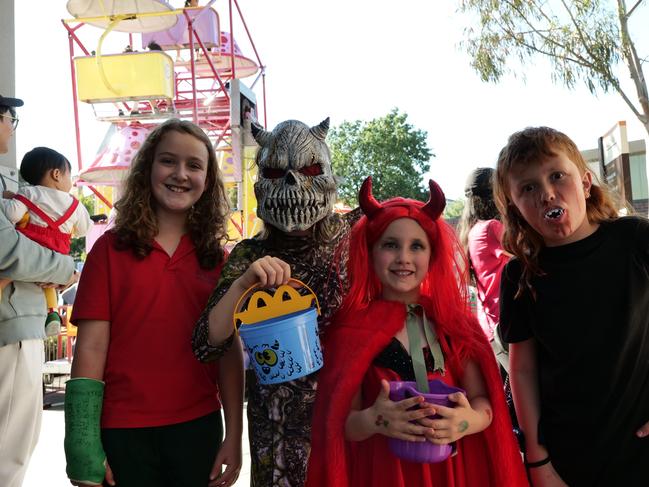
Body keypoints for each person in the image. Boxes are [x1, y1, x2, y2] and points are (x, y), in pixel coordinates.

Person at [306, 177, 527, 487]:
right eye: (390, 245)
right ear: (371, 253)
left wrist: (463, 422)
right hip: (382, 475)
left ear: (431, 255)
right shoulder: (349, 332)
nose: (404, 258)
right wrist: (376, 419)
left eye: (417, 246)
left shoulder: (454, 325)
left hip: (450, 475)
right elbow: (341, 424)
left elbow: (484, 404)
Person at [64, 119, 243, 487]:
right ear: (148, 168)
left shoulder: (220, 260)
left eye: (194, 165)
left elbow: (228, 351)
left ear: (207, 181)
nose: (180, 173)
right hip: (122, 430)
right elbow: (92, 347)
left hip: (198, 428)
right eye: (168, 161)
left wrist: (235, 435)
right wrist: (82, 441)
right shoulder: (108, 251)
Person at [192, 118, 359, 487]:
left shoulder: (356, 241)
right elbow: (207, 342)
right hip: (277, 431)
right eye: (275, 171)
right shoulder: (250, 255)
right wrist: (243, 284)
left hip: (353, 420)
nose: (293, 182)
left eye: (310, 169)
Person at [495, 126, 649, 486]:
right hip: (568, 460)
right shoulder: (519, 275)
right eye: (528, 188)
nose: (546, 194)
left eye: (557, 176)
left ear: (585, 181)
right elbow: (523, 371)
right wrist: (536, 459)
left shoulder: (635, 240)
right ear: (515, 207)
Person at [0, 94, 77, 487]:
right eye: (10, 118)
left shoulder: (15, 193)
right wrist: (68, 268)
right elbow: (8, 250)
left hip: (21, 316)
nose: (11, 126)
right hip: (12, 324)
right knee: (11, 444)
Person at [0, 147, 92, 334]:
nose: (71, 181)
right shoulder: (75, 204)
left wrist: (8, 199)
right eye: (69, 175)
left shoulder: (28, 194)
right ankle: (52, 313)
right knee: (49, 285)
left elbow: (11, 214)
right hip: (57, 252)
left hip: (30, 247)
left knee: (7, 276)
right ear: (56, 174)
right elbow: (84, 229)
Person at [457, 167, 511, 371]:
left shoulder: (472, 230)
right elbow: (527, 254)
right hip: (504, 321)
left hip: (488, 323)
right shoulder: (492, 228)